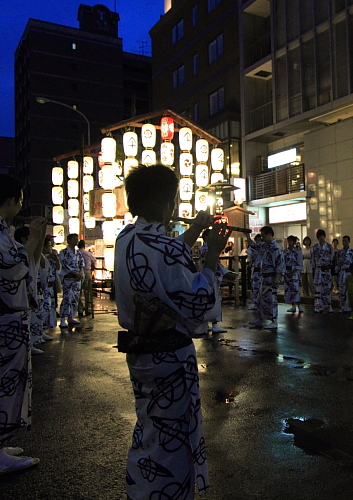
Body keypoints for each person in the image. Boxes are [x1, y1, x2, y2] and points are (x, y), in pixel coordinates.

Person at [114, 165, 230, 499]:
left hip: (141, 350)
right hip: (168, 356)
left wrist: (194, 229)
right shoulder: (160, 247)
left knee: (151, 427)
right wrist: (210, 255)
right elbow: (198, 301)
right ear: (169, 202)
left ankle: (141, 491)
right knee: (172, 442)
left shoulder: (127, 238)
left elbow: (165, 256)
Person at [0, 173, 45, 474]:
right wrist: (35, 240)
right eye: (20, 200)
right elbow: (14, 269)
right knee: (3, 383)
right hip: (3, 317)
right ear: (12, 200)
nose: (21, 205)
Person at [14, 227, 49, 355]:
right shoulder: (17, 250)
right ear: (24, 239)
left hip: (30, 290)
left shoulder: (28, 252)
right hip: (18, 293)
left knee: (30, 319)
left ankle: (31, 343)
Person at [252, 226, 284, 329]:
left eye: (264, 236)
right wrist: (246, 235)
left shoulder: (276, 248)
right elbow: (253, 246)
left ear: (270, 235)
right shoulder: (264, 246)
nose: (263, 239)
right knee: (262, 299)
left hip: (271, 276)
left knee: (272, 299)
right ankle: (261, 319)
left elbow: (280, 264)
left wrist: (277, 278)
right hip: (263, 276)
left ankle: (274, 320)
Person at [199, 228, 228, 334]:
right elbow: (215, 263)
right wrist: (225, 272)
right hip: (212, 275)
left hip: (205, 275)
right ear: (207, 237)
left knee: (206, 299)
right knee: (214, 299)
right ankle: (215, 323)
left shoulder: (203, 248)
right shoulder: (209, 249)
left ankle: (206, 323)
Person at [58, 233, 84, 328]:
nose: (76, 241)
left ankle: (71, 317)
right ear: (69, 240)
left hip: (76, 278)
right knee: (67, 298)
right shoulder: (63, 252)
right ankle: (63, 318)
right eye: (74, 239)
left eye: (76, 239)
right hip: (68, 277)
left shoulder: (78, 253)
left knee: (75, 298)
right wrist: (74, 273)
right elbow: (64, 265)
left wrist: (80, 273)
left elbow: (81, 264)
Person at [311, 229, 334, 313]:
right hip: (318, 270)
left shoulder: (329, 247)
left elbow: (332, 258)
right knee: (318, 289)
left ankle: (328, 306)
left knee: (327, 289)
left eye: (322, 236)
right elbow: (313, 259)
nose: (321, 238)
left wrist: (330, 266)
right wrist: (313, 269)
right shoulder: (315, 247)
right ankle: (318, 306)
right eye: (319, 236)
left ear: (324, 237)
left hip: (326, 269)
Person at [335, 235, 353, 313]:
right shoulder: (340, 252)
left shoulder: (352, 252)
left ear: (349, 241)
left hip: (349, 273)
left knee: (349, 291)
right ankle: (342, 306)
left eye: (346, 241)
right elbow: (337, 264)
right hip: (342, 272)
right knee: (341, 290)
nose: (344, 242)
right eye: (343, 241)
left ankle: (350, 307)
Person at [42, 236, 61, 330]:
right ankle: (41, 329)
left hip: (52, 284)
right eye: (49, 246)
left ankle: (47, 328)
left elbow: (58, 268)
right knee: (44, 307)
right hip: (44, 286)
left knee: (51, 307)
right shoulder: (40, 257)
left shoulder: (53, 257)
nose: (51, 248)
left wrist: (56, 259)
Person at [283, 236, 303, 313]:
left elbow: (300, 263)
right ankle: (293, 305)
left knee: (295, 288)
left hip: (295, 272)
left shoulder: (297, 252)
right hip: (287, 272)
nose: (290, 243)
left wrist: (294, 272)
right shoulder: (285, 252)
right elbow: (282, 262)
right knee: (289, 289)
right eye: (289, 241)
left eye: (291, 241)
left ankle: (299, 304)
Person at [77, 240, 96, 317]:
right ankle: (88, 309)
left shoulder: (76, 253)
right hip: (87, 271)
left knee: (78, 291)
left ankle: (80, 309)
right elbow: (94, 260)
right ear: (84, 246)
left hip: (78, 272)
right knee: (87, 291)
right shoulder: (88, 253)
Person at [246, 233, 265, 311]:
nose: (257, 242)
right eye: (256, 240)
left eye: (259, 240)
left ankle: (259, 303)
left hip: (261, 270)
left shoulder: (263, 247)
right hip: (255, 269)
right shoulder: (254, 248)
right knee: (255, 287)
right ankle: (256, 303)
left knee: (260, 288)